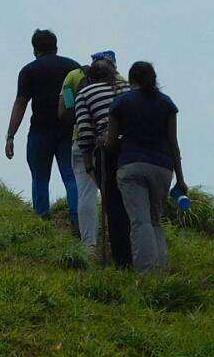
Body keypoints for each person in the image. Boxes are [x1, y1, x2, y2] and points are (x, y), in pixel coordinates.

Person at [102, 61, 186, 273]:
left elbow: (111, 143)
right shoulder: (167, 104)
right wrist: (181, 179)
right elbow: (173, 143)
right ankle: (162, 271)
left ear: (131, 80)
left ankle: (146, 273)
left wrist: (102, 142)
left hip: (131, 165)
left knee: (140, 221)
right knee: (155, 220)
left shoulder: (121, 102)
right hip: (163, 168)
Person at [4, 29, 80, 220]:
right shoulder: (72, 67)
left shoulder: (29, 70)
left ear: (35, 49)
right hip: (68, 130)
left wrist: (11, 135)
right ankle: (78, 218)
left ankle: (42, 219)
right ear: (56, 46)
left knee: (39, 177)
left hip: (40, 130)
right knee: (71, 176)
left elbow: (21, 103)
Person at [71, 56, 129, 265]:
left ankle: (122, 260)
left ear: (90, 78)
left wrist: (88, 163)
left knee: (113, 205)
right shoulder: (128, 88)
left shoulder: (85, 93)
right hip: (135, 148)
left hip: (107, 151)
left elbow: (85, 132)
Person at [62, 50, 117, 248]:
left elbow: (64, 107)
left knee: (86, 193)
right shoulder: (122, 82)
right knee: (116, 193)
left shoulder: (74, 76)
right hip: (116, 145)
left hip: (81, 140)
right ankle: (117, 241)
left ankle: (89, 245)